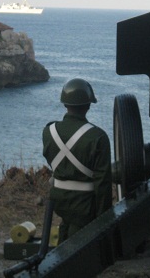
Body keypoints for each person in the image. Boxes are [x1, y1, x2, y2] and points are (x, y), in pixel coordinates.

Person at [42, 78, 112, 243]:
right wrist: (104, 218)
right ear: (88, 105)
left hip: (58, 199)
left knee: (66, 231)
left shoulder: (48, 131)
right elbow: (103, 183)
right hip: (85, 202)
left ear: (65, 104)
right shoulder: (98, 136)